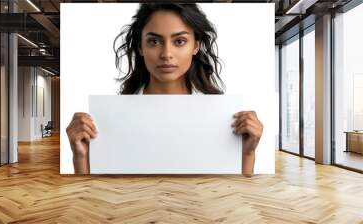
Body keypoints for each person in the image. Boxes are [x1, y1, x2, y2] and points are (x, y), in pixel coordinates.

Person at [66, 3, 263, 176]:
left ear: (196, 46)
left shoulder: (221, 119)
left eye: (179, 41)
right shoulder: (108, 120)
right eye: (154, 41)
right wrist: (80, 155)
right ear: (140, 47)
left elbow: (234, 196)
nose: (166, 54)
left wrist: (247, 153)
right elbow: (96, 198)